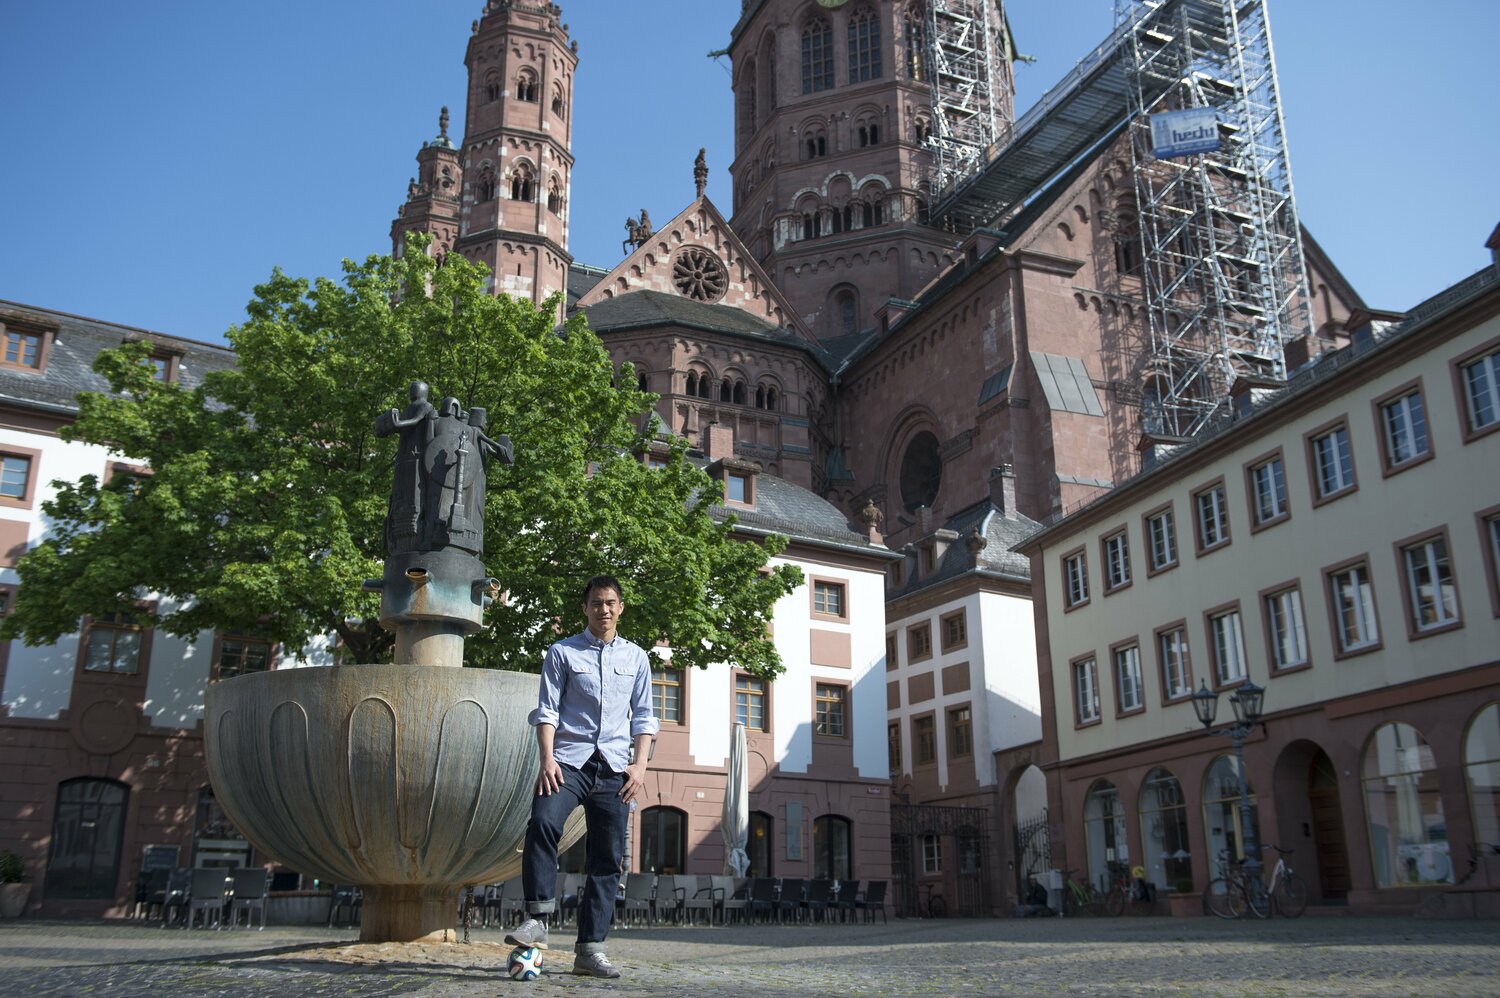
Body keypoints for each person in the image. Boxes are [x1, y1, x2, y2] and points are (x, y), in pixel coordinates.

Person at [505, 574, 658, 979]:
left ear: (620, 608)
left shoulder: (637, 658)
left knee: (608, 859)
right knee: (543, 823)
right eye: (596, 603)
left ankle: (590, 950)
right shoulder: (562, 652)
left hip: (615, 769)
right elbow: (547, 710)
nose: (603, 609)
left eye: (610, 603)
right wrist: (547, 759)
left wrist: (640, 766)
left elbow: (644, 718)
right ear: (585, 608)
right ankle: (537, 917)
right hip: (568, 763)